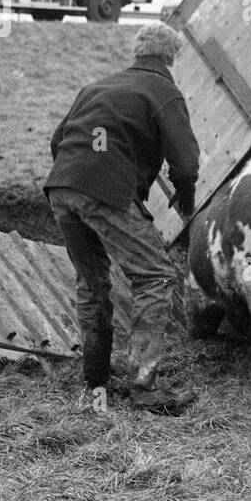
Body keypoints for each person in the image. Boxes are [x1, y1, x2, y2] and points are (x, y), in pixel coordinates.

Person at [44, 22, 200, 413]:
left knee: (92, 282)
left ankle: (96, 382)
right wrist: (185, 198)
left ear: (138, 52)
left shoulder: (97, 87)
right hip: (106, 192)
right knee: (155, 274)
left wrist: (77, 183)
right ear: (171, 57)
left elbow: (56, 140)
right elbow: (185, 162)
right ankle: (144, 386)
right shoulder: (164, 91)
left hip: (62, 186)